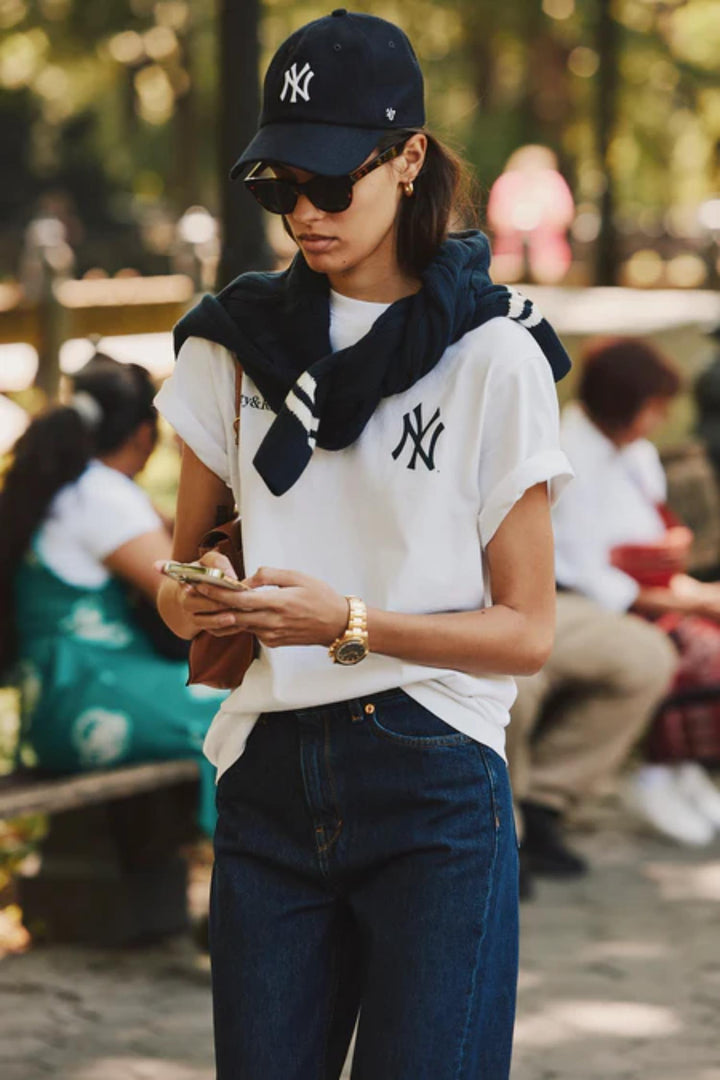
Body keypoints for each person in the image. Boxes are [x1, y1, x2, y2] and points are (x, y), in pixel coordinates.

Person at [155, 11, 574, 1079]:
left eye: (332, 182)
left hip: (432, 775)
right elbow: (177, 580)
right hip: (268, 774)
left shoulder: (493, 355)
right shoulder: (230, 345)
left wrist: (342, 622)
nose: (303, 211)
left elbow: (527, 631)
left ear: (410, 157)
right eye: (278, 185)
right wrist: (201, 600)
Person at [0, 353, 224, 836]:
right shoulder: (103, 496)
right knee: (237, 712)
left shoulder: (73, 487)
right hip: (88, 702)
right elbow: (182, 593)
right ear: (144, 435)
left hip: (61, 706)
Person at [553, 336, 720, 847]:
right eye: (652, 408)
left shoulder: (637, 454)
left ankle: (687, 765)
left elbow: (650, 538)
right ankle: (658, 770)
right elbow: (588, 572)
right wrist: (690, 600)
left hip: (652, 590)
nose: (658, 420)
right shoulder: (567, 459)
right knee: (702, 650)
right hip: (587, 597)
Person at [507, 590, 677, 890]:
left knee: (646, 655)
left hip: (553, 596)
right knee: (510, 683)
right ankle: (503, 830)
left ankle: (541, 805)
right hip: (450, 608)